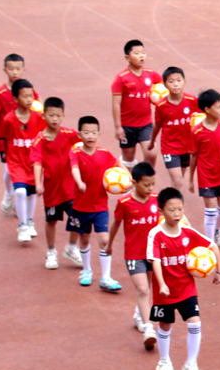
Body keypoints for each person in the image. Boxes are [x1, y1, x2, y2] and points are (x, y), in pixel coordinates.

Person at [147, 187, 220, 370]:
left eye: (180, 209)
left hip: (187, 289)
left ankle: (191, 364)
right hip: (164, 291)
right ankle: (164, 361)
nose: (177, 214)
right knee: (165, 325)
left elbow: (212, 246)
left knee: (195, 323)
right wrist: (162, 284)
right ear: (161, 211)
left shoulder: (188, 232)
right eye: (172, 210)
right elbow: (155, 261)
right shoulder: (155, 234)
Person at [68, 115, 128, 290]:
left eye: (93, 133)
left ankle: (106, 277)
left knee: (104, 240)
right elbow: (74, 169)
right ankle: (86, 270)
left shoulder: (104, 153)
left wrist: (129, 180)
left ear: (99, 134)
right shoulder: (75, 153)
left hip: (100, 206)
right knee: (84, 239)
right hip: (80, 206)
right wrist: (79, 183)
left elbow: (118, 164)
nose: (90, 136)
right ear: (79, 134)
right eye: (86, 132)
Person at [108, 161, 159, 350]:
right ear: (135, 183)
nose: (150, 188)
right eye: (146, 185)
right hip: (134, 254)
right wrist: (110, 244)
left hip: (153, 253)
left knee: (149, 288)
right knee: (143, 289)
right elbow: (116, 224)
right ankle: (148, 329)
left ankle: (139, 315)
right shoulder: (124, 203)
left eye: (152, 184)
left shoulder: (157, 199)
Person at [30, 97, 82, 269]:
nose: (54, 119)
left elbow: (86, 140)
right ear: (44, 116)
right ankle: (51, 252)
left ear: (63, 116)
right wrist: (38, 183)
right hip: (52, 191)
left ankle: (72, 247)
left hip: (70, 188)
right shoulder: (39, 140)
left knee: (77, 217)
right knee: (51, 221)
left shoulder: (69, 134)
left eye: (58, 116)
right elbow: (37, 162)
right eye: (51, 115)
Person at [0, 79, 46, 242]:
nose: (29, 99)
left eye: (31, 96)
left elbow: (48, 134)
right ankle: (22, 225)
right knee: (20, 191)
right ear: (15, 99)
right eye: (24, 96)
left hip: (34, 162)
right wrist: (5, 152)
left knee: (31, 194)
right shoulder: (9, 119)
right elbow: (3, 137)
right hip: (16, 162)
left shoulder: (39, 118)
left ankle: (30, 221)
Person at [190, 88, 220, 246]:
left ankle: (216, 229)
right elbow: (194, 156)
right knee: (210, 212)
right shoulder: (197, 132)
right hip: (206, 177)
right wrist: (191, 179)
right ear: (207, 109)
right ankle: (210, 245)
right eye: (219, 107)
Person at [0, 54, 32, 216]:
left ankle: (21, 205)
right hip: (7, 142)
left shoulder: (29, 92)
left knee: (26, 172)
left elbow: (38, 112)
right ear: (5, 70)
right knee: (9, 171)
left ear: (24, 70)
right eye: (11, 69)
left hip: (26, 141)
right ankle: (9, 194)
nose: (15, 72)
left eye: (18, 69)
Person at [112, 39, 163, 170]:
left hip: (146, 124)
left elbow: (164, 84)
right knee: (129, 158)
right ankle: (131, 183)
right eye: (137, 53)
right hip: (127, 125)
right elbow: (116, 104)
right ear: (127, 58)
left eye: (143, 52)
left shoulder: (151, 74)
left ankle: (145, 180)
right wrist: (118, 127)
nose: (141, 56)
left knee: (151, 153)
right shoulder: (121, 78)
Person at [150, 66, 196, 189]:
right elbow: (158, 125)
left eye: (179, 80)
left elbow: (205, 116)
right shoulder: (161, 105)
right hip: (169, 147)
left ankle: (171, 204)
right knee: (178, 181)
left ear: (184, 82)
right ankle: (174, 205)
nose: (176, 84)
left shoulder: (192, 100)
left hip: (187, 146)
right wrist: (152, 141)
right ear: (164, 84)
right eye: (171, 81)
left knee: (179, 179)